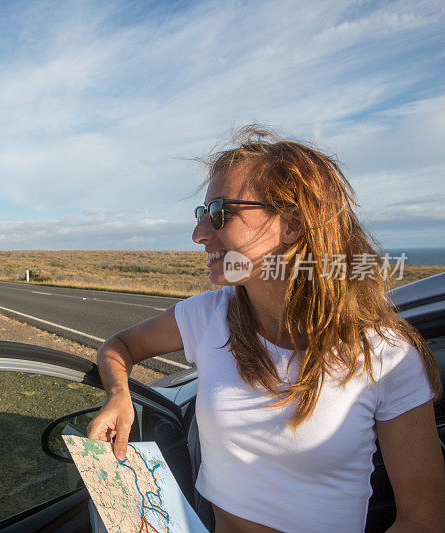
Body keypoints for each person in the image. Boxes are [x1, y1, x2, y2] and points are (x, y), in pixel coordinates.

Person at [86, 126, 445, 532]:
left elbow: (424, 520)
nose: (199, 234)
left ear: (291, 224)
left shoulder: (384, 354)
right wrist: (119, 396)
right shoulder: (208, 316)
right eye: (202, 214)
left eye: (220, 212)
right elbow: (120, 346)